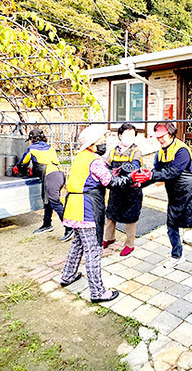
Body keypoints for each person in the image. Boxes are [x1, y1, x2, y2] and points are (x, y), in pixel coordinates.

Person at [132, 122, 192, 282]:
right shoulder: (160, 154)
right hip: (175, 194)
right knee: (171, 226)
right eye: (157, 137)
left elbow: (173, 172)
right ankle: (177, 255)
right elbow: (156, 173)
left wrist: (150, 176)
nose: (160, 140)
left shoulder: (182, 150)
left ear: (171, 133)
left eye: (162, 136)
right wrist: (138, 182)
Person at [60, 125, 131, 303]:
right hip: (87, 210)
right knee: (93, 250)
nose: (104, 143)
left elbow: (93, 177)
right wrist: (129, 178)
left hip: (74, 209)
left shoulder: (81, 158)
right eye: (101, 140)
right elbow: (109, 182)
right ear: (91, 144)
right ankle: (98, 292)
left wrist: (112, 172)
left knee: (78, 244)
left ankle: (67, 276)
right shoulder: (95, 160)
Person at [13, 128, 73, 242]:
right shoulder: (50, 148)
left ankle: (69, 227)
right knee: (48, 201)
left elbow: (23, 163)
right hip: (59, 175)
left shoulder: (31, 149)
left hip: (51, 177)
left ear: (31, 140)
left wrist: (17, 168)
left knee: (55, 202)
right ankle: (47, 224)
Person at [103, 123, 143, 256]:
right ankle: (109, 238)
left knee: (131, 217)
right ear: (120, 135)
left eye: (132, 134)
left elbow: (135, 167)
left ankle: (129, 244)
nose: (129, 137)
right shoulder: (114, 150)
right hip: (116, 189)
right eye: (126, 134)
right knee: (111, 214)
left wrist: (122, 174)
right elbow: (107, 165)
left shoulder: (136, 151)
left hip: (131, 190)